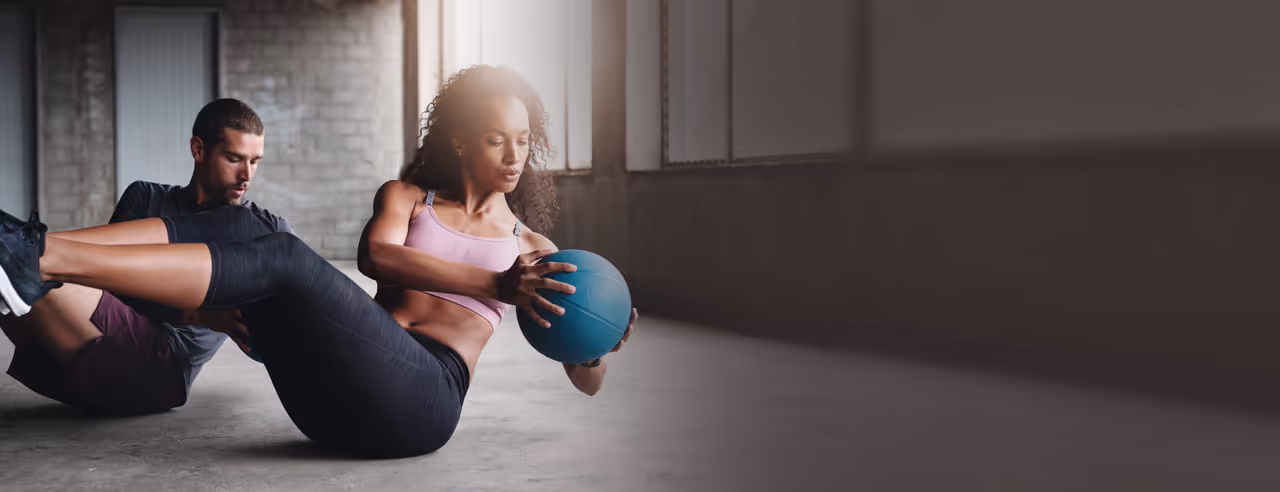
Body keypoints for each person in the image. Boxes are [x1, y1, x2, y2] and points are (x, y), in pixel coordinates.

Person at [0, 65, 637, 458]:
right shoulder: (407, 198)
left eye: (524, 140)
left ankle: (40, 257)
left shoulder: (533, 251)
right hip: (328, 407)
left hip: (421, 405)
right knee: (240, 222)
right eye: (498, 137)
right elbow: (377, 256)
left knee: (277, 253)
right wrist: (495, 282)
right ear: (463, 140)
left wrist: (594, 348)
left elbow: (585, 382)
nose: (514, 153)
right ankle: (35, 252)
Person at [0, 98, 292, 417]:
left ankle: (17, 249)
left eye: (255, 161)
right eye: (234, 158)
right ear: (198, 149)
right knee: (25, 263)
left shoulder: (262, 227)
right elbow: (112, 287)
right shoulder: (145, 197)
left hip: (159, 369)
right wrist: (198, 313)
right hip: (74, 350)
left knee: (26, 260)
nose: (246, 175)